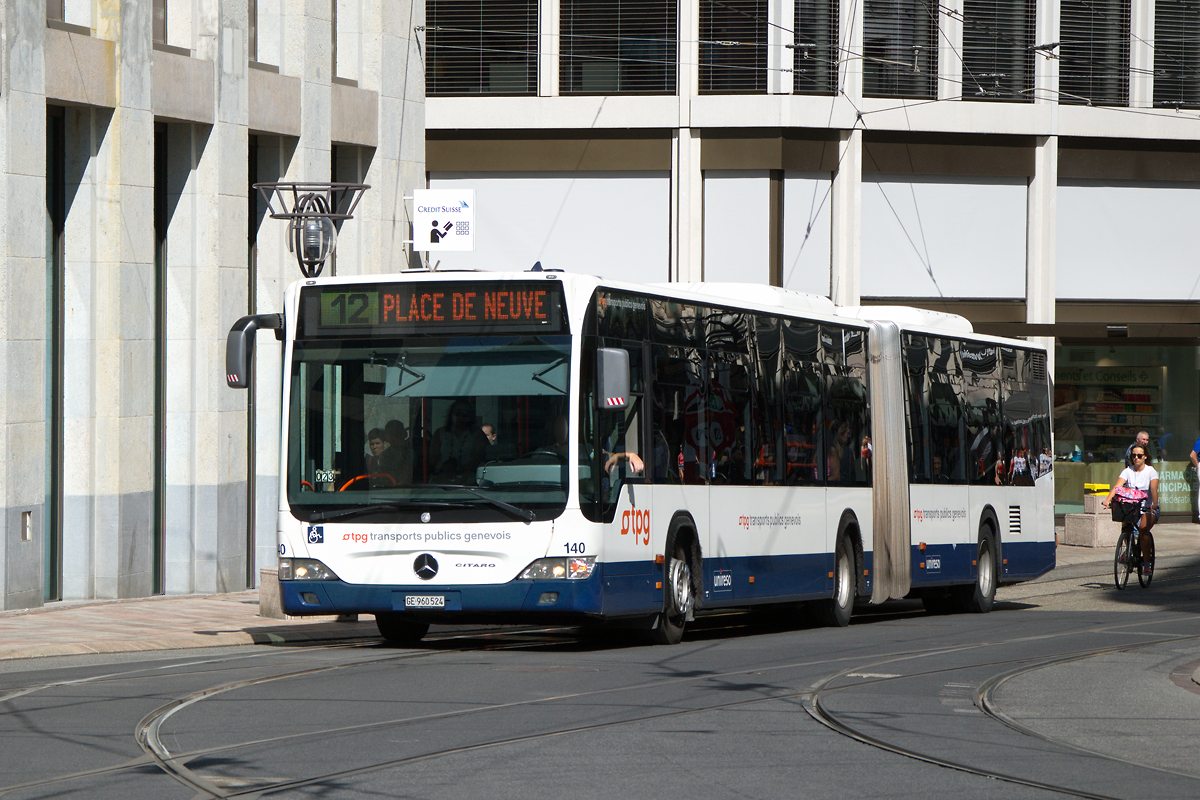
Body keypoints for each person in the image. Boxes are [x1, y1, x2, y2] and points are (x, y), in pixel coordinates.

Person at [1102, 443, 1159, 572]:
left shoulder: (1151, 471)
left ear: (1145, 457)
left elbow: (1154, 490)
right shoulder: (1128, 471)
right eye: (1134, 455)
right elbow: (1118, 487)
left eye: (1139, 455)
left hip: (1147, 506)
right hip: (1132, 506)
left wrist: (1154, 503)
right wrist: (1107, 499)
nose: (1136, 458)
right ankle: (1129, 552)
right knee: (1125, 526)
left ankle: (1145, 563)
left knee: (1143, 530)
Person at [430, 401, 487, 484]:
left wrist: (461, 469)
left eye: (465, 414)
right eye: (457, 413)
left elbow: (480, 460)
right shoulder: (440, 433)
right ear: (451, 414)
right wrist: (445, 467)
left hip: (469, 483)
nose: (460, 416)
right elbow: (432, 460)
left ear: (470, 416)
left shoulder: (478, 435)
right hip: (441, 482)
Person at [380, 419, 413, 484]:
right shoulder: (385, 455)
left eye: (396, 434)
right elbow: (385, 477)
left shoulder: (411, 452)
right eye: (391, 435)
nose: (393, 438)